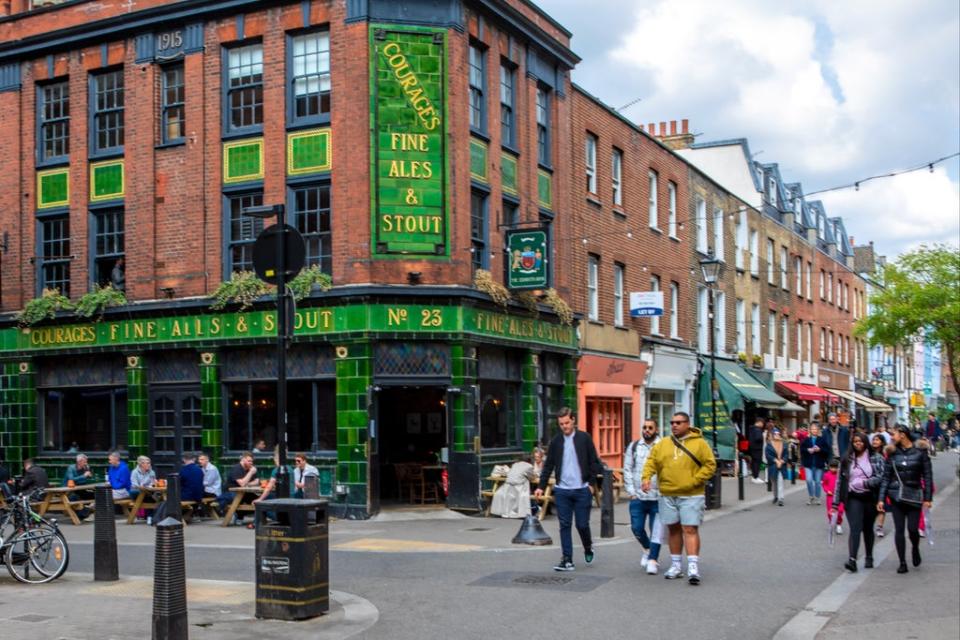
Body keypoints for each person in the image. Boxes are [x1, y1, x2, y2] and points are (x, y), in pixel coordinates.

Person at [642, 411, 716, 585]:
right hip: (668, 493)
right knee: (674, 529)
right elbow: (651, 462)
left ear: (687, 424)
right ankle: (676, 565)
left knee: (690, 529)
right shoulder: (663, 444)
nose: (674, 425)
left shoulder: (700, 444)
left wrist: (694, 480)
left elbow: (710, 465)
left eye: (678, 422)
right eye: (672, 422)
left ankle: (693, 566)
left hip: (691, 494)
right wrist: (646, 478)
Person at [534, 407, 603, 572]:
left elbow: (594, 462)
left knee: (582, 525)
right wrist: (541, 487)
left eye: (566, 422)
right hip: (562, 490)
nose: (564, 426)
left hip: (581, 489)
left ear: (573, 420)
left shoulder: (584, 438)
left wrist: (591, 485)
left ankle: (588, 546)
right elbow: (549, 465)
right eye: (561, 424)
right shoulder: (556, 441)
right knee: (564, 525)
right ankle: (567, 559)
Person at [878, 425, 933, 574]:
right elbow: (885, 478)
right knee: (899, 530)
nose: (891, 437)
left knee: (913, 529)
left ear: (902, 435)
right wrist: (881, 499)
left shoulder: (921, 452)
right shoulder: (892, 453)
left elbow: (927, 476)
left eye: (894, 434)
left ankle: (915, 548)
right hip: (896, 497)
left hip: (914, 495)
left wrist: (928, 498)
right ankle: (902, 562)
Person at [837, 432, 885, 572]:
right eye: (855, 441)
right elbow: (840, 481)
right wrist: (835, 503)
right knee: (855, 527)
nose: (858, 443)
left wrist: (865, 483)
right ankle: (852, 559)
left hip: (870, 497)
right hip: (852, 497)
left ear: (866, 442)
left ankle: (869, 556)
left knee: (868, 528)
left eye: (861, 441)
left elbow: (882, 477)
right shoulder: (847, 459)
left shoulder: (876, 458)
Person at [623, 419, 662, 575]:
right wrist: (632, 492)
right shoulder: (633, 446)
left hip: (658, 497)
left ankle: (653, 559)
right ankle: (647, 549)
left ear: (656, 429)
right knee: (637, 528)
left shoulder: (663, 446)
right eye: (644, 427)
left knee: (656, 531)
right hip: (638, 497)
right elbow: (627, 469)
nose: (647, 430)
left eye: (650, 428)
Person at [219, 451, 259, 522]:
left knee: (259, 500)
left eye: (252, 461)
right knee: (241, 499)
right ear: (243, 460)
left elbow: (257, 481)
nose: (251, 463)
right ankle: (238, 516)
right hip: (230, 493)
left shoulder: (250, 468)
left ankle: (257, 520)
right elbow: (242, 484)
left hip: (243, 493)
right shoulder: (237, 468)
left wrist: (247, 483)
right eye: (249, 461)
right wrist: (250, 473)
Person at [800, 424, 829, 505]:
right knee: (809, 480)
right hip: (808, 464)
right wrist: (807, 450)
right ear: (810, 430)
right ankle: (811, 496)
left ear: (818, 430)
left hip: (818, 464)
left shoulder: (822, 440)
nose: (814, 431)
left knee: (817, 482)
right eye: (812, 429)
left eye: (816, 429)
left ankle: (817, 497)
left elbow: (826, 451)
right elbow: (802, 450)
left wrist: (819, 449)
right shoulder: (806, 440)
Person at [765, 428, 789, 506]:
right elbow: (768, 455)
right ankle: (775, 496)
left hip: (782, 465)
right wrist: (775, 460)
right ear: (772, 435)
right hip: (773, 466)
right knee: (774, 482)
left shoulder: (784, 444)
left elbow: (786, 455)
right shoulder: (769, 445)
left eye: (778, 434)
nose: (777, 435)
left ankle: (781, 498)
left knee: (780, 481)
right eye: (775, 434)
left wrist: (782, 461)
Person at [822, 460, 844, 535]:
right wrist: (827, 490)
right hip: (830, 496)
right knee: (830, 511)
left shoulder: (840, 475)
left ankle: (839, 524)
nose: (833, 469)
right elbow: (824, 484)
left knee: (840, 510)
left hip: (839, 496)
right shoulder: (826, 475)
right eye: (832, 467)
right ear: (829, 467)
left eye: (835, 468)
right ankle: (831, 522)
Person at [747, 418, 766, 484]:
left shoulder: (751, 428)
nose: (763, 425)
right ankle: (756, 477)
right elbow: (758, 438)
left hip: (752, 448)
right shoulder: (758, 430)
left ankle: (754, 476)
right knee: (757, 462)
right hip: (757, 448)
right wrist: (762, 436)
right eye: (763, 423)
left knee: (754, 462)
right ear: (759, 422)